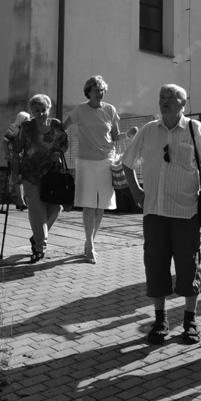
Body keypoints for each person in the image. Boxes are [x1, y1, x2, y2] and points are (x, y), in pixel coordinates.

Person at [122, 84, 201, 345]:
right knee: (155, 267)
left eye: (172, 97)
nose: (165, 101)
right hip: (154, 213)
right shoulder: (148, 130)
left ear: (184, 104)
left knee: (188, 267)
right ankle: (160, 320)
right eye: (162, 97)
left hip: (186, 213)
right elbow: (127, 162)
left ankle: (189, 320)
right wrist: (136, 191)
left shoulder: (194, 129)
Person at [63, 75, 120, 264]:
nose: (100, 93)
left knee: (101, 205)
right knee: (88, 204)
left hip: (106, 162)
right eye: (97, 90)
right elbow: (62, 128)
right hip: (86, 163)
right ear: (88, 92)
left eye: (102, 90)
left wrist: (128, 135)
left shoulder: (110, 110)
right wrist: (60, 145)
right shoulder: (80, 110)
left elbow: (115, 136)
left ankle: (90, 243)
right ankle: (90, 245)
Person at [11, 94, 69, 263]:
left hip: (53, 174)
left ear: (48, 108)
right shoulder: (27, 127)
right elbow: (16, 150)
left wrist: (58, 152)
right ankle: (39, 247)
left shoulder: (56, 124)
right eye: (37, 110)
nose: (41, 113)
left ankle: (37, 237)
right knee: (37, 211)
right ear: (32, 111)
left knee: (56, 208)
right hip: (31, 174)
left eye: (43, 109)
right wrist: (14, 174)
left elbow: (65, 144)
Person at [3, 111, 30, 210]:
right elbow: (5, 142)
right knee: (17, 178)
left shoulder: (27, 130)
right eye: (26, 120)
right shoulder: (13, 128)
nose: (28, 121)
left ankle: (21, 200)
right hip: (14, 156)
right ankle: (20, 201)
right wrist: (7, 154)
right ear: (21, 120)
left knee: (22, 179)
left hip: (24, 157)